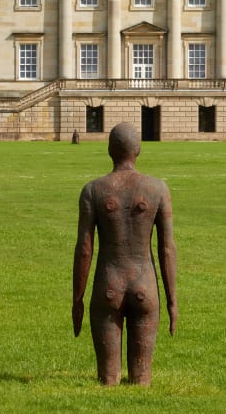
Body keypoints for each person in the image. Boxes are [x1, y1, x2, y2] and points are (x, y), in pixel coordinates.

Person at [72, 123, 177, 385]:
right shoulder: (158, 189)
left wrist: (78, 298)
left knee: (108, 379)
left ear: (110, 150)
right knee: (142, 380)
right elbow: (167, 249)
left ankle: (110, 385)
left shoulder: (93, 190)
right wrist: (172, 300)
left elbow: (85, 249)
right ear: (138, 150)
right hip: (145, 284)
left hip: (109, 282)